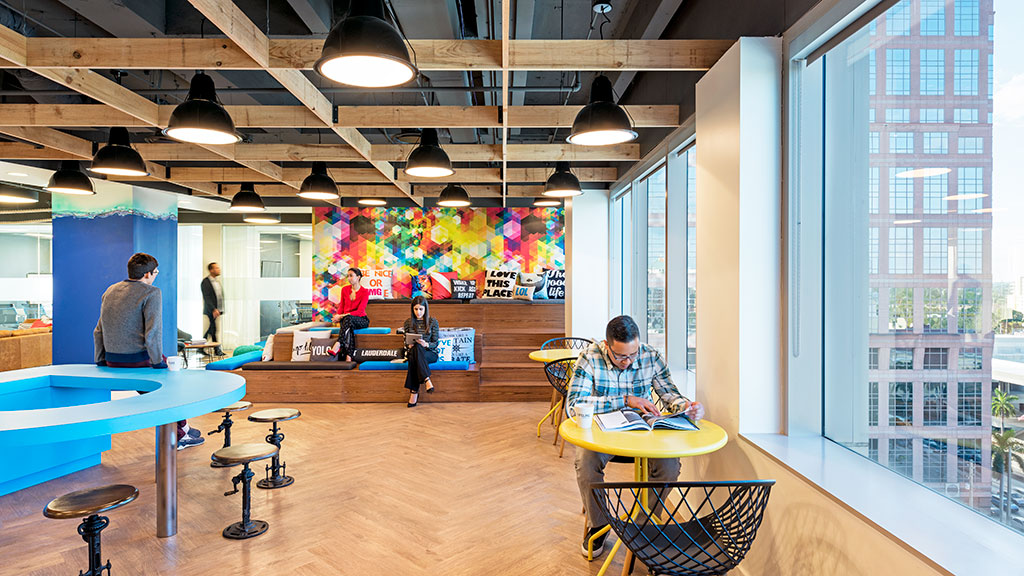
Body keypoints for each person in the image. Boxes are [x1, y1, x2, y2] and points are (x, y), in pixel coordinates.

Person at [566, 315, 705, 559]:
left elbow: (670, 395)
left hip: (642, 430)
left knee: (670, 465)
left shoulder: (650, 355)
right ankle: (598, 526)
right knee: (586, 462)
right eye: (620, 356)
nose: (628, 361)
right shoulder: (589, 357)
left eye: (633, 354)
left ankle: (642, 526)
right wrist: (625, 400)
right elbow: (574, 404)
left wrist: (687, 406)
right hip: (603, 432)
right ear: (607, 346)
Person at [94, 253, 204, 450]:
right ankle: (179, 436)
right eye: (155, 272)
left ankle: (185, 428)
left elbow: (98, 330)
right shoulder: (151, 292)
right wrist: (156, 363)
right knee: (172, 387)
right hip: (137, 359)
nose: (156, 275)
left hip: (111, 359)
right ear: (147, 274)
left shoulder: (110, 290)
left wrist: (101, 359)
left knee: (165, 382)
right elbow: (153, 333)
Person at [403, 295, 439, 407]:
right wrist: (408, 346)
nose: (418, 312)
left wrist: (426, 344)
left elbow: (435, 343)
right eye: (416, 309)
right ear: (412, 309)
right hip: (414, 352)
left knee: (418, 349)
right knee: (415, 349)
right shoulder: (408, 322)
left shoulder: (433, 322)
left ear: (425, 309)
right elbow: (405, 342)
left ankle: (414, 392)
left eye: (421, 309)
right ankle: (426, 379)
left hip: (430, 353)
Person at [330, 267, 370, 362]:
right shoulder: (344, 290)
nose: (349, 278)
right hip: (347, 320)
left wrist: (341, 316)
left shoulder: (365, 292)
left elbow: (360, 311)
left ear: (358, 277)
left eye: (351, 276)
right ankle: (349, 356)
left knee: (347, 319)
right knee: (348, 326)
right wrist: (337, 317)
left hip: (361, 320)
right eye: (348, 276)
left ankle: (339, 344)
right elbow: (342, 307)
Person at [200, 262, 224, 356]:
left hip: (217, 310)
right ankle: (216, 350)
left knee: (212, 330)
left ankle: (202, 348)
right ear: (211, 270)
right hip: (211, 310)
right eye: (216, 268)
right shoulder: (205, 282)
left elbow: (219, 296)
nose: (219, 269)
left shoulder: (217, 281)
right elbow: (207, 297)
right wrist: (213, 309)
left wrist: (220, 309)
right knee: (213, 329)